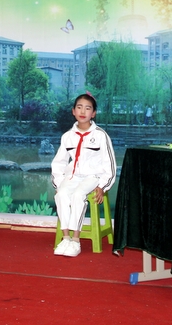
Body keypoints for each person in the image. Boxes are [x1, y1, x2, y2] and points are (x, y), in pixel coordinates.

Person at [51, 93, 116, 257]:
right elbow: (58, 162)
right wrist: (59, 183)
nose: (82, 111)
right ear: (73, 111)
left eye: (87, 108)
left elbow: (110, 164)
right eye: (79, 107)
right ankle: (66, 238)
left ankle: (75, 240)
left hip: (93, 177)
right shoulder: (67, 137)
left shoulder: (100, 135)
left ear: (93, 113)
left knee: (78, 195)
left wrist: (102, 186)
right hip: (73, 176)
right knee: (61, 195)